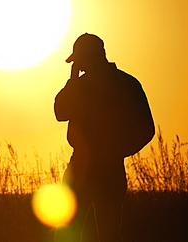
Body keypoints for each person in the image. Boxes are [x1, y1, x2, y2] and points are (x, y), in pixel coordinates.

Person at [54, 33, 155, 242]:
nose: (78, 67)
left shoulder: (123, 85)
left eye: (79, 61)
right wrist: (73, 79)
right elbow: (60, 113)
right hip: (91, 168)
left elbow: (146, 129)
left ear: (88, 57)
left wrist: (116, 152)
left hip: (99, 169)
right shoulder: (123, 83)